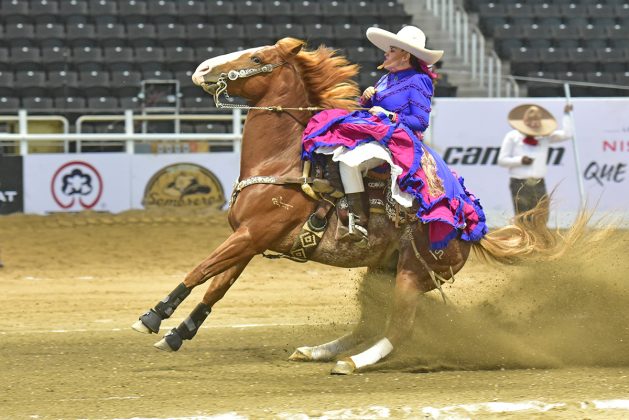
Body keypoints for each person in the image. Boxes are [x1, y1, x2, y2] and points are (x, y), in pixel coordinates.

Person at [301, 25, 487, 249]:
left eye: (391, 50)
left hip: (398, 141)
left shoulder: (419, 80)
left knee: (349, 162)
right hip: (375, 134)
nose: (385, 53)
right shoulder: (386, 79)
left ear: (405, 54)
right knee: (332, 146)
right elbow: (373, 109)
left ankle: (358, 221)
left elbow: (420, 122)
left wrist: (388, 115)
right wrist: (367, 100)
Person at [498, 103, 574, 223]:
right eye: (531, 120)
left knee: (542, 217)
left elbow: (567, 134)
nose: (534, 123)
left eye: (536, 120)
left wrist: (567, 115)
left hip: (539, 183)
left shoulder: (545, 137)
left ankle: (540, 241)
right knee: (523, 218)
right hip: (519, 183)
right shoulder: (512, 136)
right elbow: (502, 160)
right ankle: (525, 242)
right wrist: (520, 160)